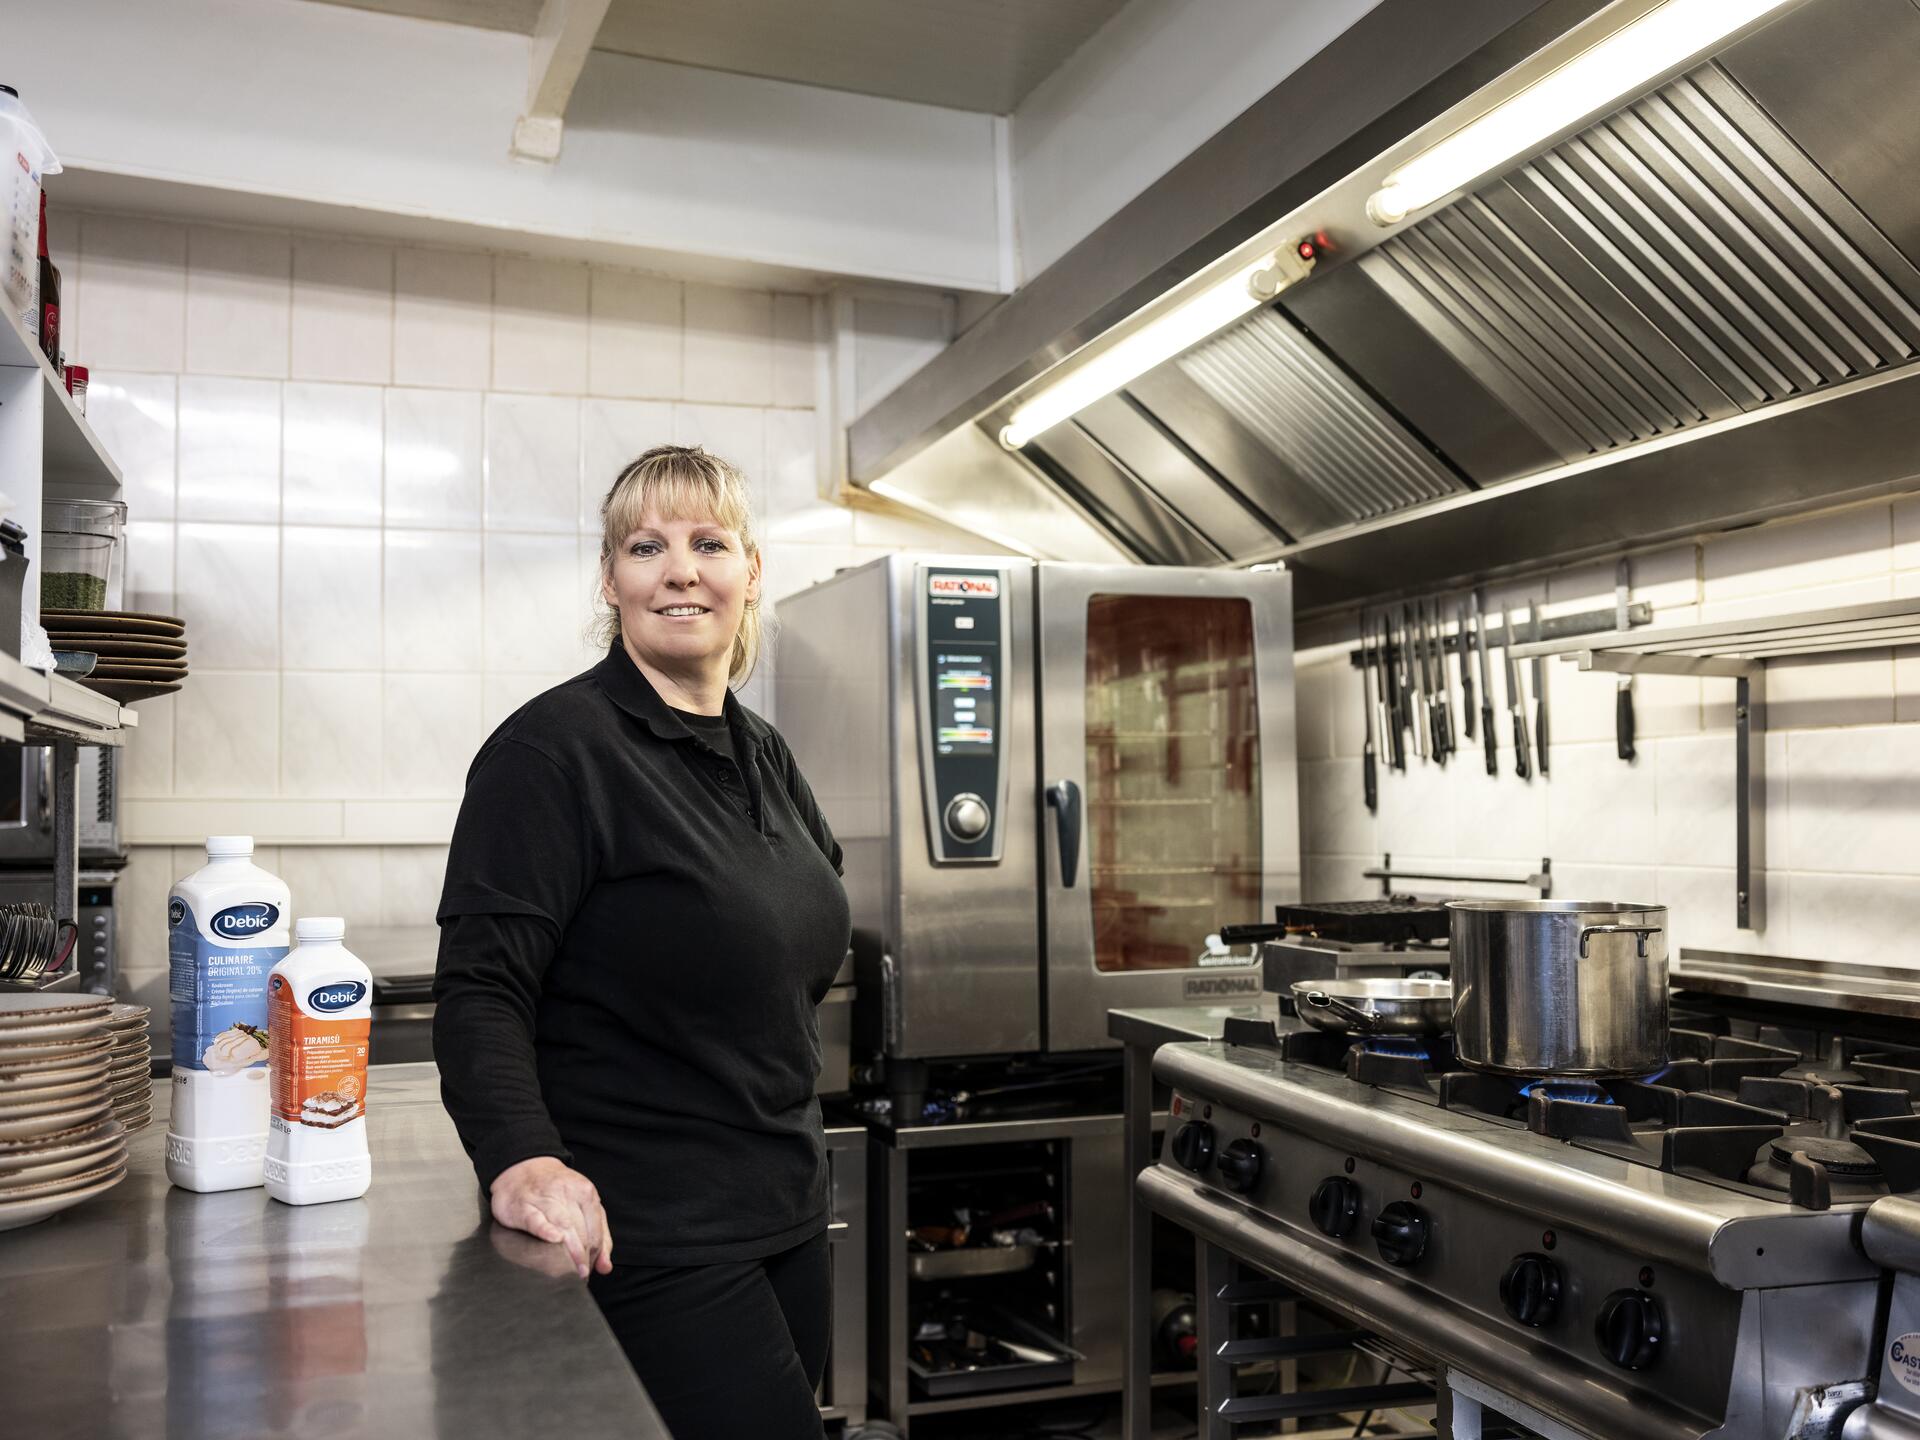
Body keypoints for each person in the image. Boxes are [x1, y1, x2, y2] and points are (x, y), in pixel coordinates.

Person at [433, 444, 851, 1440]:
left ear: (751, 573)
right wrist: (522, 1158)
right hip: (652, 1231)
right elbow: (483, 990)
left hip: (788, 1208)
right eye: (646, 546)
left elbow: (795, 934)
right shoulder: (551, 753)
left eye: (710, 543)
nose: (680, 571)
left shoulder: (763, 752)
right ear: (610, 579)